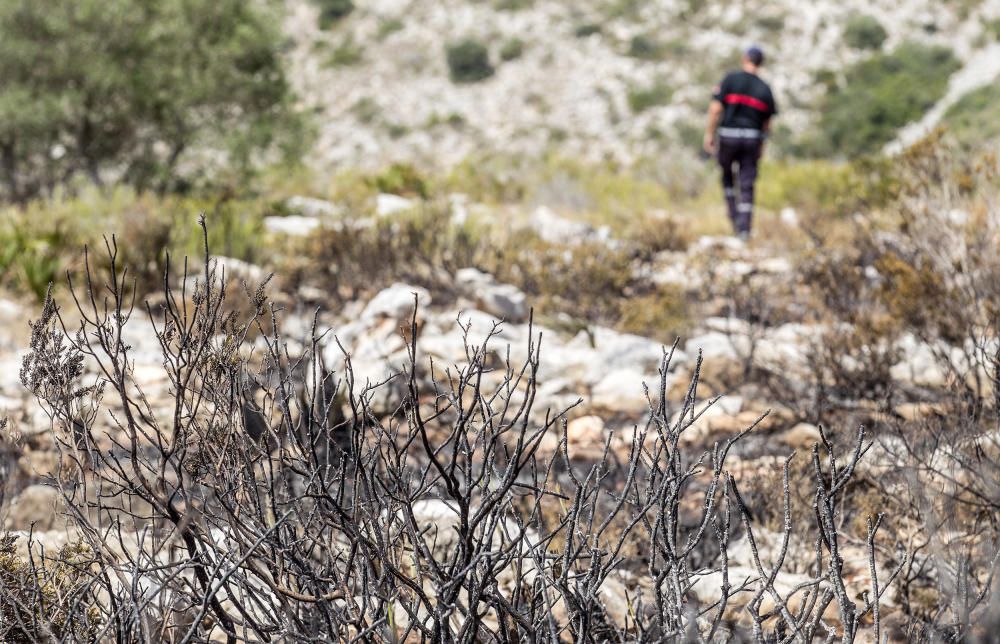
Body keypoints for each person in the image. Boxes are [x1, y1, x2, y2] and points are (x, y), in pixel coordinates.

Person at [703, 45, 778, 240]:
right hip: (752, 139)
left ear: (745, 58)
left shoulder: (730, 79)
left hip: (728, 135)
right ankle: (744, 228)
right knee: (747, 182)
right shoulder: (765, 88)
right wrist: (762, 145)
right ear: (761, 63)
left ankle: (733, 216)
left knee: (727, 176)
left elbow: (715, 109)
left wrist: (709, 134)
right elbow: (767, 123)